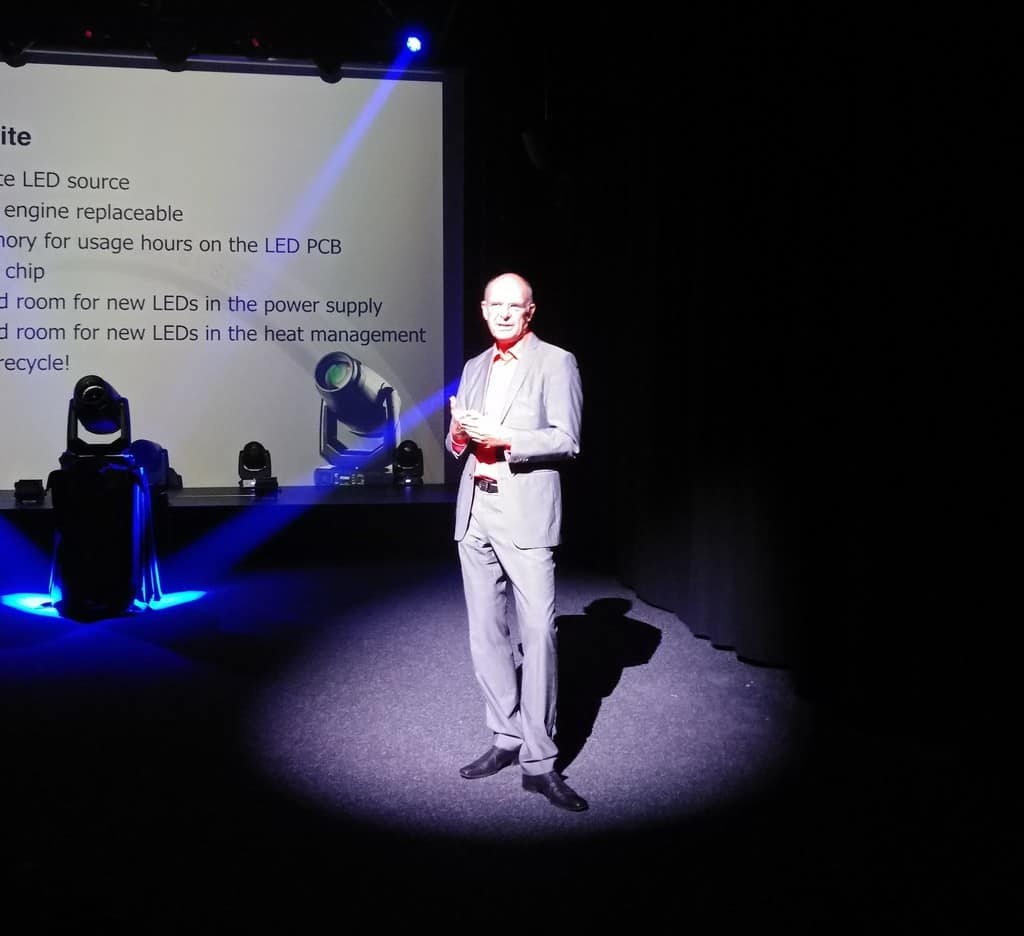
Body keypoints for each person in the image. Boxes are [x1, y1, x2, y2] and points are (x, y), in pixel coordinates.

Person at [446, 271, 587, 812]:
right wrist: (458, 434)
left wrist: (504, 437)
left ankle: (540, 762)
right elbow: (458, 443)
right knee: (485, 632)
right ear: (483, 310)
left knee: (539, 633)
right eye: (495, 305)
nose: (504, 314)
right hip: (475, 510)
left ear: (530, 311)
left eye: (515, 305)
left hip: (525, 514)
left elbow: (566, 440)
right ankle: (505, 736)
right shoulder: (473, 366)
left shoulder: (556, 362)